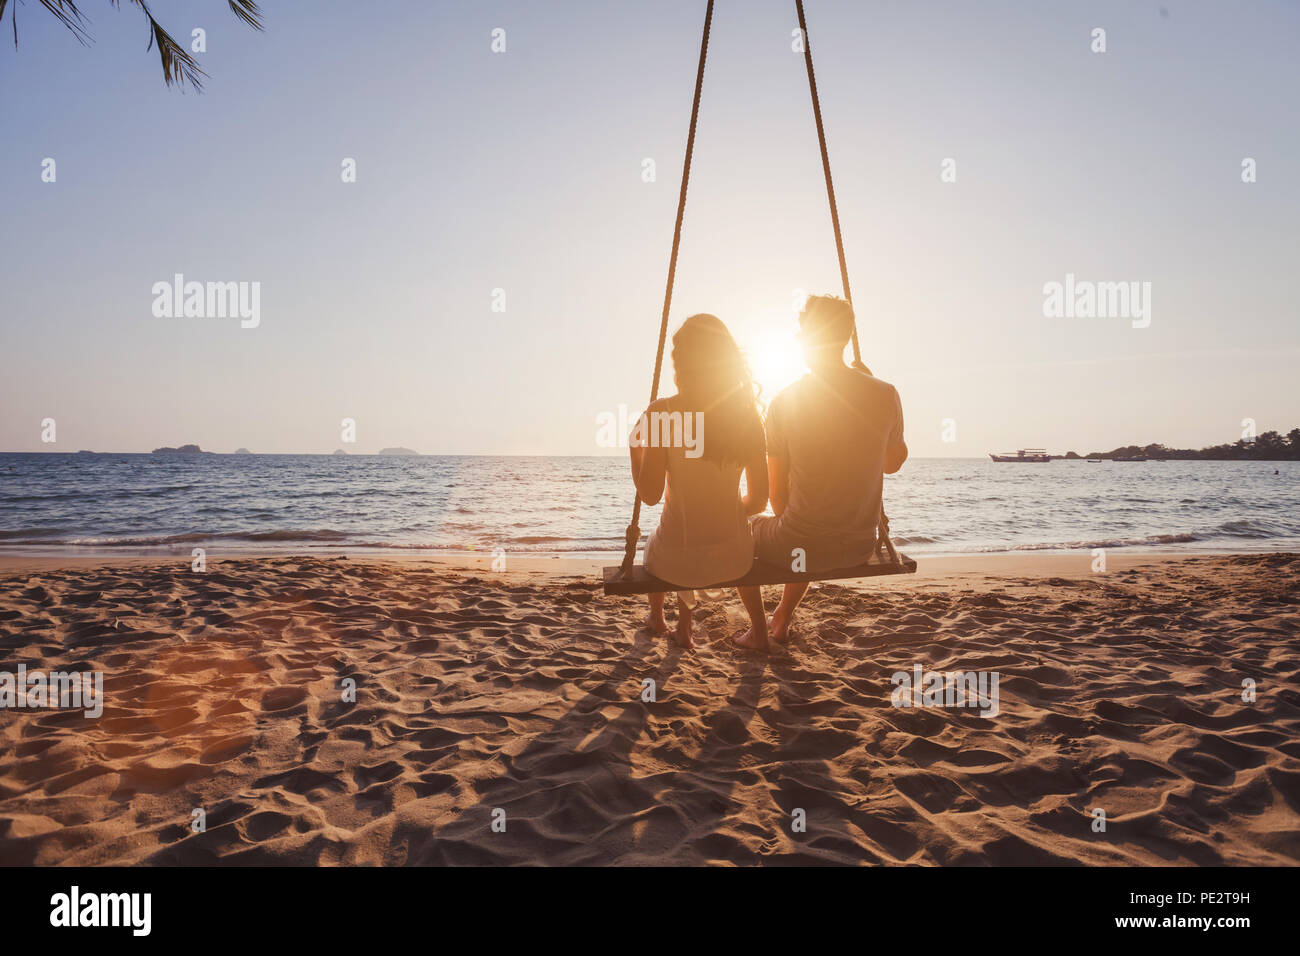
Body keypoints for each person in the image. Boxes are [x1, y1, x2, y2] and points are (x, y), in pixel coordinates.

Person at [739, 295, 907, 649]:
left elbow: (777, 501)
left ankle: (758, 633)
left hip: (804, 544)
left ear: (806, 339)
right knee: (805, 523)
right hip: (859, 546)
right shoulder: (886, 393)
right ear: (846, 336)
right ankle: (782, 618)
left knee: (740, 530)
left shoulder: (785, 402)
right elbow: (891, 463)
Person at [629, 314, 769, 648]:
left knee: (664, 539)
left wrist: (635, 451)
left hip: (675, 560)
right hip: (734, 558)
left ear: (682, 362)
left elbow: (649, 495)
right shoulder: (748, 417)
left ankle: (661, 619)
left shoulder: (662, 411)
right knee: (707, 534)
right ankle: (740, 631)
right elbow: (760, 500)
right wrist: (730, 514)